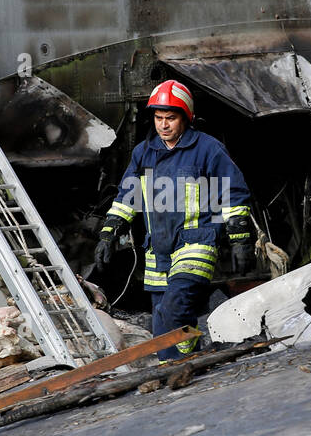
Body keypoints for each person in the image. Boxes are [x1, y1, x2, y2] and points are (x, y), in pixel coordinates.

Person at [94, 80, 253, 360]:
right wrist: (108, 234)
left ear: (186, 118)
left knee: (174, 307)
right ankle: (180, 367)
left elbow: (232, 192)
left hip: (197, 242)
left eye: (171, 118)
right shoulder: (143, 153)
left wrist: (240, 239)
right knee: (162, 333)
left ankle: (185, 359)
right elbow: (127, 198)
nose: (163, 125)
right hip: (158, 249)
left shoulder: (207, 149)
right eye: (158, 118)